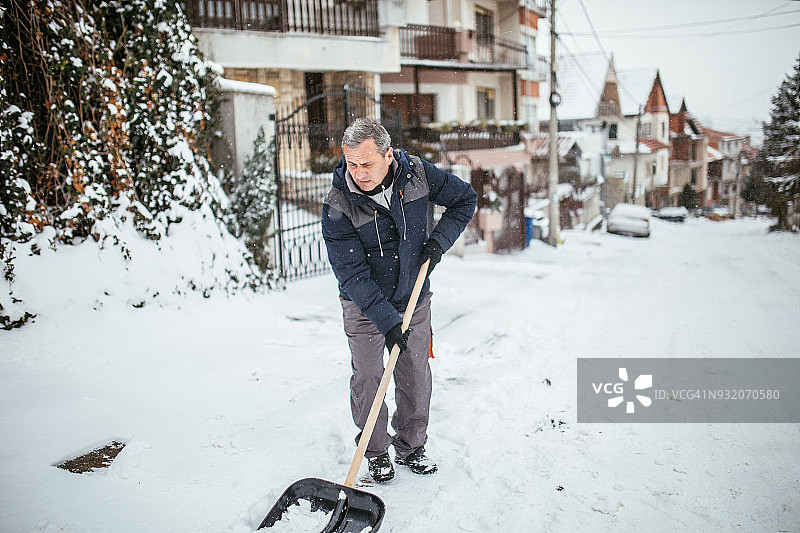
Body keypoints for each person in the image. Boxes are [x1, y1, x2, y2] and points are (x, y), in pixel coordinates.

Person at [321, 117, 477, 482]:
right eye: (352, 163)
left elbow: (463, 200)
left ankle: (412, 445)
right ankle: (374, 451)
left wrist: (438, 243)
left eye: (367, 163)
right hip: (363, 304)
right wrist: (386, 321)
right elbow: (352, 273)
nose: (358, 173)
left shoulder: (417, 175)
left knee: (414, 374)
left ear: (388, 155)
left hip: (413, 296)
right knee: (370, 376)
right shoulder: (338, 204)